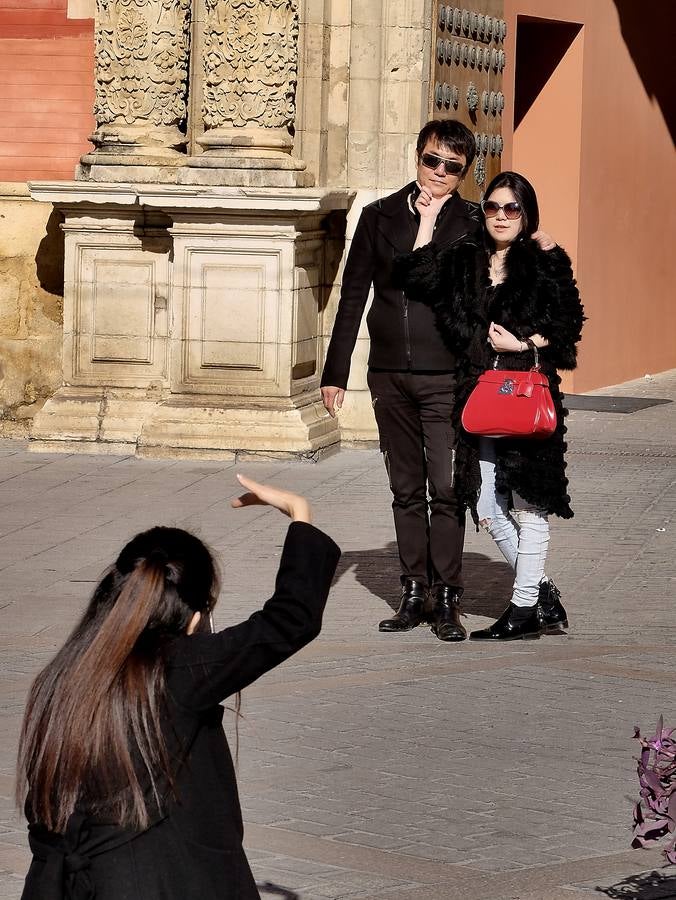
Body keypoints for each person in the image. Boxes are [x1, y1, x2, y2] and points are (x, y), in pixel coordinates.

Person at [17, 475, 340, 900]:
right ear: (194, 616)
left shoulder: (62, 675)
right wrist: (301, 516)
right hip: (167, 880)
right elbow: (288, 619)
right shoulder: (178, 668)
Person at [396, 171, 584, 640]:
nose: (501, 216)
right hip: (477, 398)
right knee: (484, 504)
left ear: (526, 215)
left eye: (512, 208)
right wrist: (431, 217)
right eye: (494, 207)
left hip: (526, 394)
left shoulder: (545, 262)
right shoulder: (465, 258)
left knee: (529, 505)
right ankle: (541, 596)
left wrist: (523, 345)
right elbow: (414, 275)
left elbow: (567, 331)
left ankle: (521, 610)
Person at [321, 119, 480, 642]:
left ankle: (449, 598)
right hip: (389, 373)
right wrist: (335, 371)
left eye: (452, 167)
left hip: (444, 376)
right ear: (417, 157)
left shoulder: (469, 223)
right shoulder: (377, 216)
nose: (439, 173)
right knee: (406, 489)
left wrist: (538, 238)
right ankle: (414, 590)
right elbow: (352, 296)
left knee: (445, 488)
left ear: (463, 174)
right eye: (432, 160)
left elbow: (492, 268)